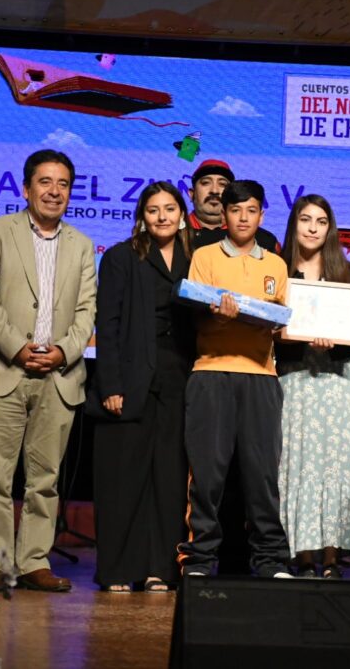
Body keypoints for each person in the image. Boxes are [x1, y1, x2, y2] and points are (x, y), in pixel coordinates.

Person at [0, 149, 96, 592]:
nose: (54, 192)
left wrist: (63, 352)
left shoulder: (82, 244)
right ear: (26, 188)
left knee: (45, 478)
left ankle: (34, 560)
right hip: (1, 369)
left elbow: (86, 310)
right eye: (45, 182)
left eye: (63, 184)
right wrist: (17, 348)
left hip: (58, 376)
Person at [176, 180, 293, 578]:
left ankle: (270, 561)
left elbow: (282, 321)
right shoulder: (205, 256)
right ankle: (198, 560)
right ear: (224, 215)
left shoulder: (276, 264)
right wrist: (219, 314)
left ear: (262, 215)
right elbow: (194, 314)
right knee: (207, 475)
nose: (243, 218)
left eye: (251, 210)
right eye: (236, 210)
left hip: (261, 376)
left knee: (263, 476)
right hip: (212, 372)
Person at [88, 182, 195, 592]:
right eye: (153, 210)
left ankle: (160, 569)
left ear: (181, 215)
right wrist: (110, 384)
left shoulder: (196, 258)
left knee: (169, 478)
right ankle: (118, 569)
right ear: (142, 217)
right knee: (123, 477)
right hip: (131, 379)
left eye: (169, 208)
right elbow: (108, 324)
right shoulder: (121, 257)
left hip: (179, 379)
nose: (162, 216)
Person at [275, 194, 350, 578]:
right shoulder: (279, 272)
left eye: (321, 221)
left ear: (330, 228)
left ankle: (333, 558)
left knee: (338, 467)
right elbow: (269, 327)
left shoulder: (349, 274)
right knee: (300, 463)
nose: (313, 228)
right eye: (306, 219)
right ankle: (303, 557)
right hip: (296, 378)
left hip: (339, 381)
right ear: (295, 224)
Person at [186, 159, 281, 253]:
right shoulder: (178, 234)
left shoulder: (265, 241)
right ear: (191, 194)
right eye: (205, 183)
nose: (214, 190)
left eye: (222, 184)